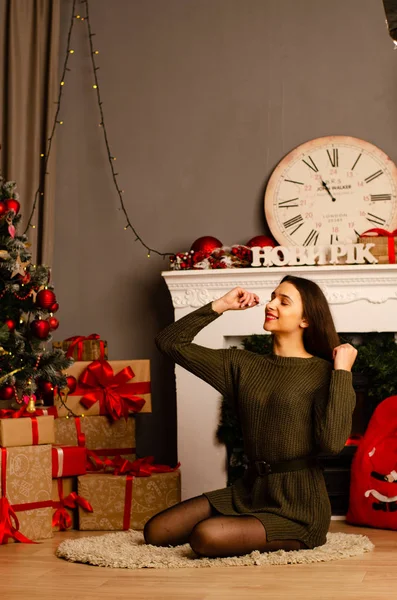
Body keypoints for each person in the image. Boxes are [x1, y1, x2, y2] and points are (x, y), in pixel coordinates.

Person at [144, 275, 357, 558]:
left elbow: (332, 444)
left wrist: (342, 373)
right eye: (272, 297)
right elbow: (169, 342)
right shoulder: (241, 365)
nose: (271, 305)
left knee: (205, 536)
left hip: (298, 505)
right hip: (249, 491)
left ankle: (286, 532)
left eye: (284, 301)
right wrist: (220, 305)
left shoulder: (324, 374)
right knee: (157, 531)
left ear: (305, 319)